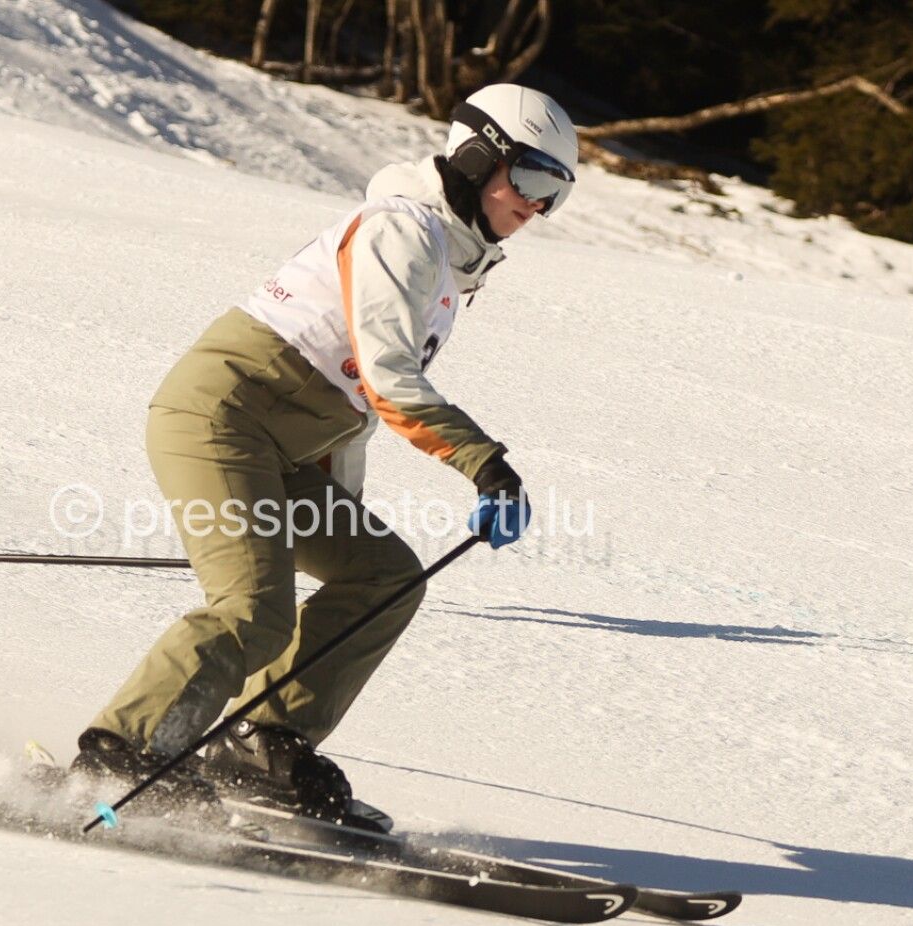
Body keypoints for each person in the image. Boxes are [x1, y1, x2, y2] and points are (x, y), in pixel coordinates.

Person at [75, 84, 579, 824]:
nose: (537, 205)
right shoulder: (401, 232)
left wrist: (339, 518)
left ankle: (261, 742)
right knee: (255, 609)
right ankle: (121, 752)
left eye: (557, 192)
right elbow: (387, 382)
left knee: (382, 576)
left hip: (282, 452)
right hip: (220, 418)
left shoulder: (446, 264)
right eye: (532, 177)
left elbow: (353, 406)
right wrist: (484, 463)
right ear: (478, 159)